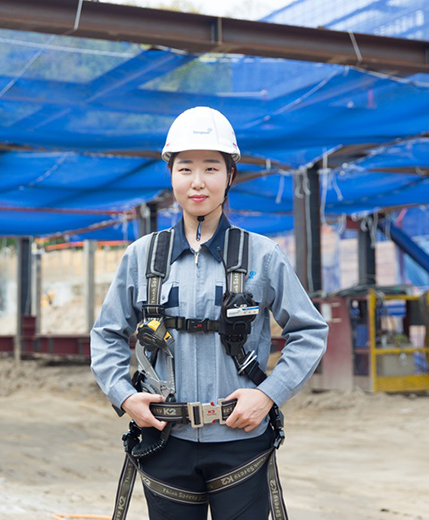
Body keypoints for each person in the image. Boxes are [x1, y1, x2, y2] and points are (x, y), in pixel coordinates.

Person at [90, 106, 328, 520]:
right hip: (164, 440)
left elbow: (310, 331)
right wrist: (125, 396)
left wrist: (268, 394)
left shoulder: (262, 255)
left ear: (230, 175)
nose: (198, 182)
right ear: (171, 175)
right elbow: (107, 334)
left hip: (241, 441)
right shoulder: (142, 258)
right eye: (185, 169)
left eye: (211, 168)